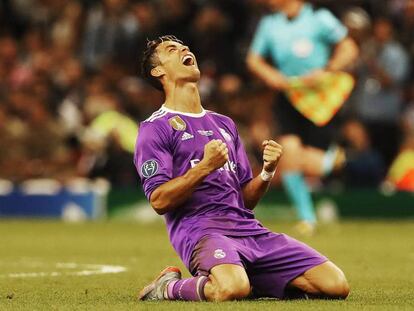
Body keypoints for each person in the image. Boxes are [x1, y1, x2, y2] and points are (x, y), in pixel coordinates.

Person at [135, 35, 349, 302]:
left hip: (249, 230)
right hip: (202, 231)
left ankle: (251, 281)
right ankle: (167, 288)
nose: (185, 49)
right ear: (158, 71)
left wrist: (268, 172)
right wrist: (204, 167)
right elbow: (159, 200)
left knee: (335, 285)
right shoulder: (155, 128)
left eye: (184, 46)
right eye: (172, 50)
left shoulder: (224, 124)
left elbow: (245, 201)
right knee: (230, 289)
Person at [246, 0, 359, 234]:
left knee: (305, 160)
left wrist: (327, 69)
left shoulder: (319, 18)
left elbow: (349, 48)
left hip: (320, 99)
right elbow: (253, 60)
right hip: (289, 96)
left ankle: (329, 163)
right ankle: (307, 216)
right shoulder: (269, 24)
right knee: (288, 154)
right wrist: (272, 75)